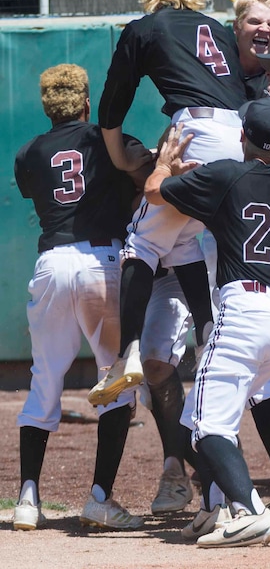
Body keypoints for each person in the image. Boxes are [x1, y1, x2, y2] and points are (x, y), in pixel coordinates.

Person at [143, 97, 270, 548]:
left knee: (208, 426)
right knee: (197, 421)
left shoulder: (226, 172)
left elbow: (154, 194)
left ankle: (249, 512)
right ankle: (218, 508)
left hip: (243, 311)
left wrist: (163, 165)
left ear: (242, 136)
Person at [88, 0, 248, 410]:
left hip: (194, 132)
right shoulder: (218, 29)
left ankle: (129, 352)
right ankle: (208, 336)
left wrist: (120, 158)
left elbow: (111, 109)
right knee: (182, 242)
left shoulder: (144, 28)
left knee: (142, 242)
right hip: (235, 138)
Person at [12, 64, 144, 531]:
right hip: (101, 262)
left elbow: (40, 192)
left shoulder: (28, 152)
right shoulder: (103, 139)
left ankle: (27, 498)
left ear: (47, 105)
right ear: (87, 101)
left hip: (51, 264)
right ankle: (100, 499)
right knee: (117, 382)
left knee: (44, 381)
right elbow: (141, 170)